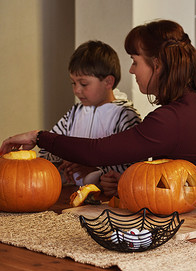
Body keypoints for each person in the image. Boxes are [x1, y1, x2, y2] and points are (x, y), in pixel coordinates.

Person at [0, 20, 196, 217]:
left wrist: (38, 137)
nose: (132, 70)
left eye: (135, 61)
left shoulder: (171, 118)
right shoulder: (194, 103)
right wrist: (121, 183)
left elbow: (97, 152)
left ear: (157, 65)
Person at [39, 40, 141, 186]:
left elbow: (135, 169)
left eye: (84, 84)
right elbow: (47, 149)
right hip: (74, 197)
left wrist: (94, 170)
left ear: (108, 82)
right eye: (73, 83)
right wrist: (65, 158)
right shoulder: (75, 113)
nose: (76, 90)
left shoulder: (125, 116)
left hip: (110, 202)